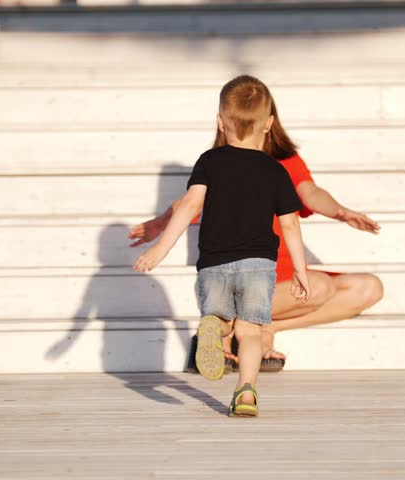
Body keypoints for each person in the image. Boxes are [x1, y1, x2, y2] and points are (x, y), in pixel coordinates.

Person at [130, 78, 383, 371]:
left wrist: (339, 211)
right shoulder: (223, 164)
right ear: (269, 120)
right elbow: (189, 202)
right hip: (245, 275)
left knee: (368, 288)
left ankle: (263, 329)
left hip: (280, 278)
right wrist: (160, 224)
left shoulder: (281, 162)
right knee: (321, 287)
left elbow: (309, 192)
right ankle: (226, 338)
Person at [133, 75, 310, 417]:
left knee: (220, 318)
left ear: (220, 121)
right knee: (251, 331)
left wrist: (160, 249)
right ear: (270, 124)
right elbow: (290, 223)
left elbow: (188, 206)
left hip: (214, 262)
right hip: (258, 265)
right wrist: (300, 271)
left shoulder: (209, 162)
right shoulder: (276, 170)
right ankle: (246, 392)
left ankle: (215, 327)